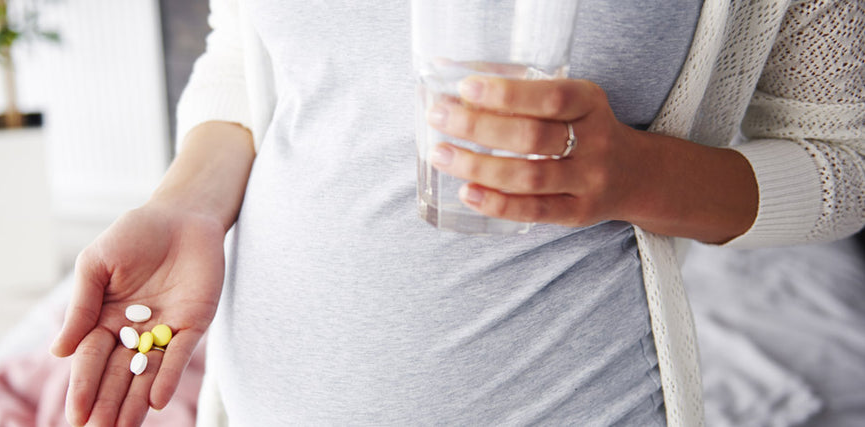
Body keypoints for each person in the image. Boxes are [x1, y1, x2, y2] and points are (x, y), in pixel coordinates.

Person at [49, 0, 865, 425]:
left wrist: (637, 175)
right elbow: (251, 49)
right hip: (269, 401)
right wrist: (186, 205)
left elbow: (844, 162)